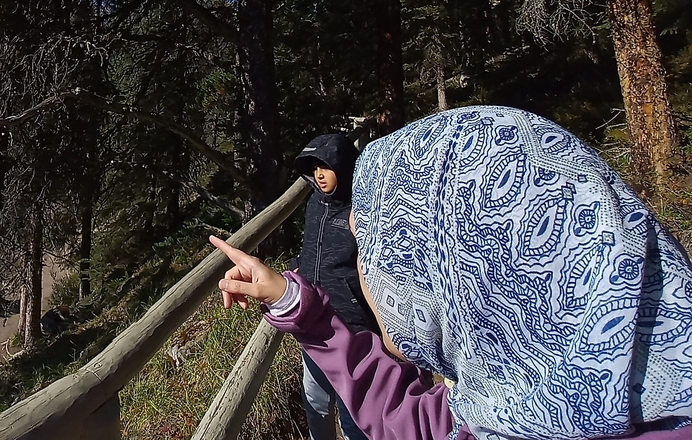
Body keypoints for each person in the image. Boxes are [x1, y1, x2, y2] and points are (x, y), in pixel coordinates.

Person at [211, 106, 692, 440]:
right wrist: (293, 302)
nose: (371, 270)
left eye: (385, 248)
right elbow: (407, 418)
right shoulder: (504, 409)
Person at [290, 133, 372, 440]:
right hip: (313, 320)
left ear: (344, 166)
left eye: (325, 167)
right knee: (316, 400)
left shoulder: (360, 210)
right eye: (313, 169)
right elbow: (311, 248)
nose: (319, 175)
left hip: (353, 328)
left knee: (353, 410)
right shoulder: (315, 204)